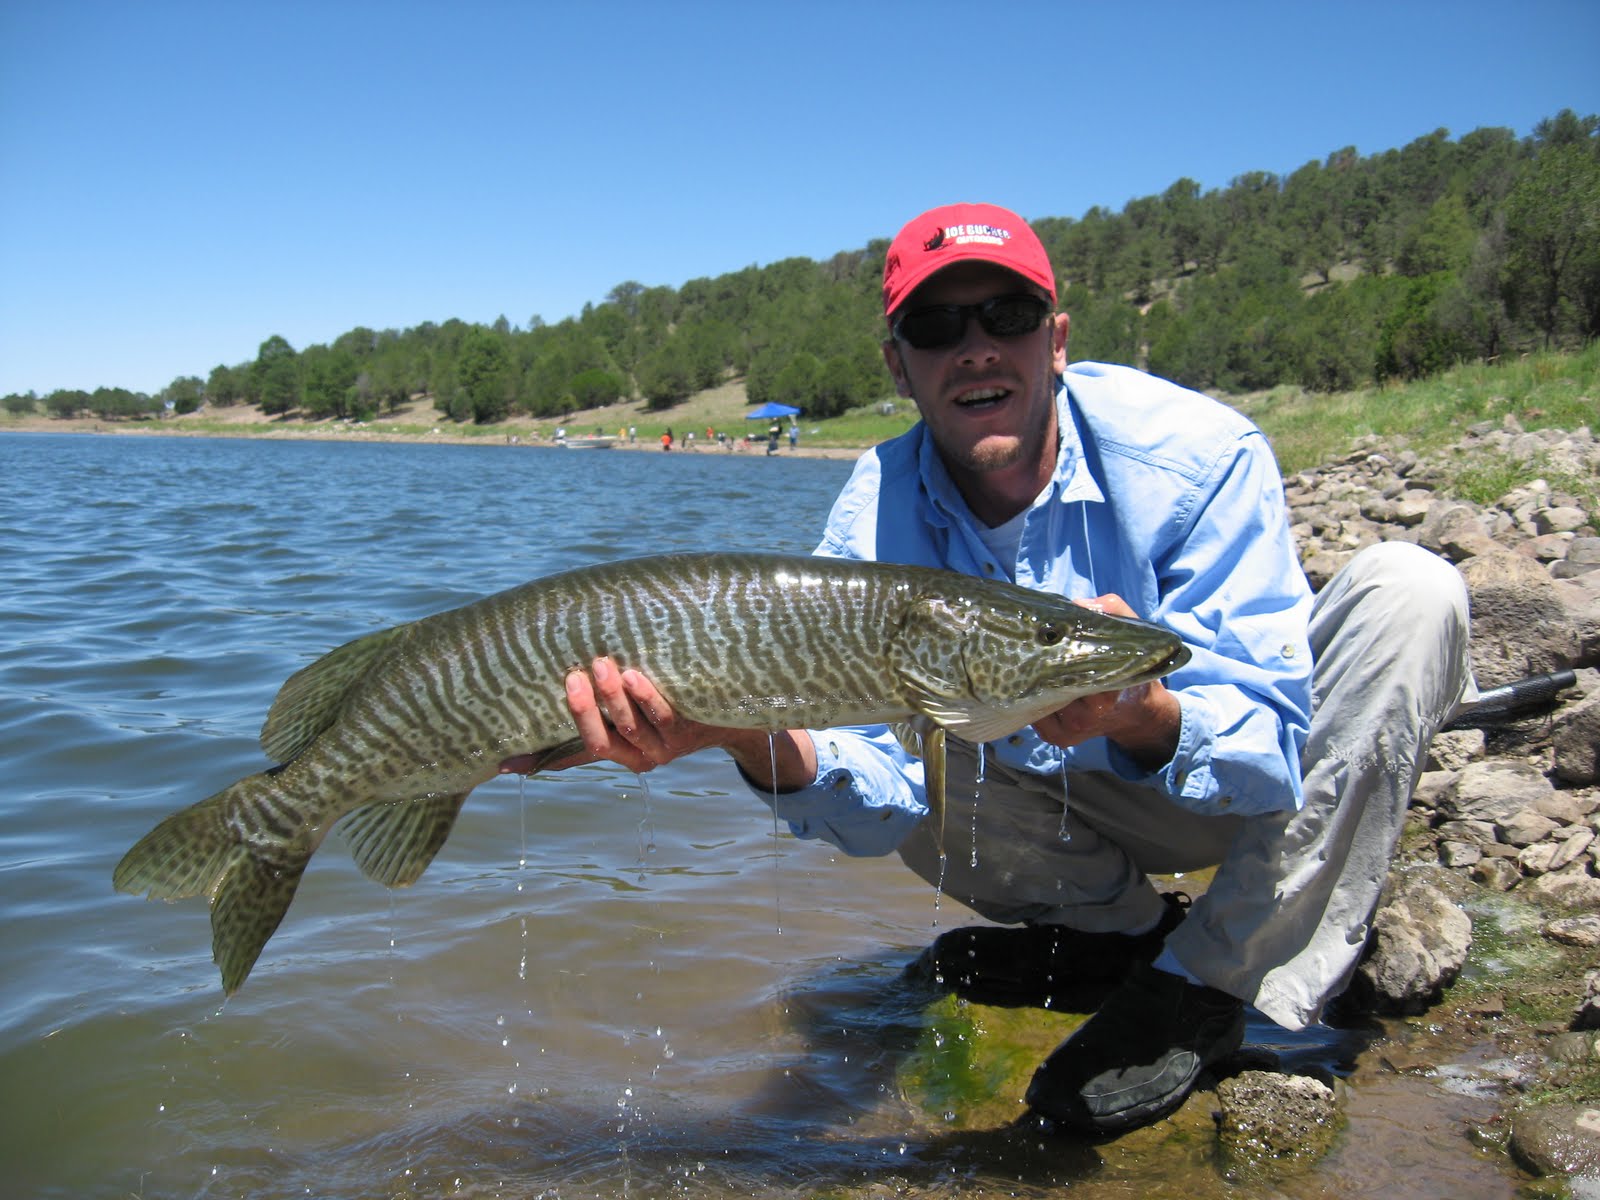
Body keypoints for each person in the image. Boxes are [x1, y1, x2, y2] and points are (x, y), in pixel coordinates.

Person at [517, 202, 1475, 1135]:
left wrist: (1143, 713)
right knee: (916, 745)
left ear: (1054, 340)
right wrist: (740, 735)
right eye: (937, 326)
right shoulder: (876, 510)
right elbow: (878, 800)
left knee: (1413, 591)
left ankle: (1213, 985)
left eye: (1006, 317)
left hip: (1227, 787)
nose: (975, 346)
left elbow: (1274, 754)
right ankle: (1127, 941)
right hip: (1055, 800)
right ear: (900, 366)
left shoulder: (1197, 455)